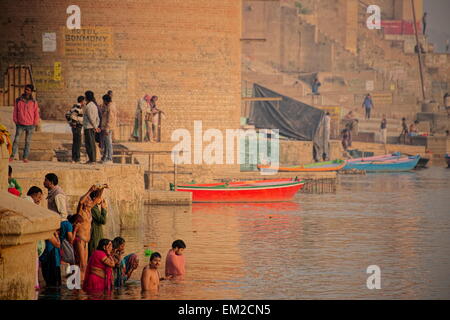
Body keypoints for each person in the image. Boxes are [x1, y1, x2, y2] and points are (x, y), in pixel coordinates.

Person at [74, 184, 106, 282]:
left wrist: (102, 188)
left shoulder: (90, 211)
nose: (89, 201)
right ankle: (80, 284)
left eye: (90, 200)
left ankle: (80, 282)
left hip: (86, 242)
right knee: (82, 264)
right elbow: (80, 201)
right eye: (87, 200)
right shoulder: (81, 211)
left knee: (84, 264)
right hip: (80, 239)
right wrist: (89, 190)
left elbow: (97, 199)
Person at [10, 84, 40, 163]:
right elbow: (15, 111)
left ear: (31, 92)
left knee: (28, 142)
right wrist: (15, 120)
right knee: (16, 140)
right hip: (20, 124)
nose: (26, 91)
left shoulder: (34, 102)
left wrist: (35, 122)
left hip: (30, 125)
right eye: (26, 89)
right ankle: (12, 156)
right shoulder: (18, 100)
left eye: (28, 90)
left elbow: (36, 113)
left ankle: (25, 157)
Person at [83, 91, 100, 164]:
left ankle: (92, 159)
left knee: (90, 144)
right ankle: (92, 159)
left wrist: (95, 126)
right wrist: (96, 125)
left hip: (89, 127)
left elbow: (91, 118)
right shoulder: (94, 105)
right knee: (91, 143)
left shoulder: (89, 106)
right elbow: (97, 118)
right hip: (92, 126)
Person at [66, 96, 85, 163]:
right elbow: (73, 115)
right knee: (78, 143)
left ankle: (74, 158)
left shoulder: (73, 107)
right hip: (77, 126)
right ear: (82, 101)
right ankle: (77, 158)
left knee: (75, 142)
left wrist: (70, 122)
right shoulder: (78, 107)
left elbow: (67, 114)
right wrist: (73, 123)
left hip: (75, 126)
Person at [100, 94, 117, 164]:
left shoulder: (110, 107)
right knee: (106, 143)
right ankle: (106, 157)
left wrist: (107, 128)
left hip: (108, 128)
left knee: (108, 143)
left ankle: (110, 158)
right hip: (107, 127)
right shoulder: (109, 106)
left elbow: (110, 119)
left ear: (106, 100)